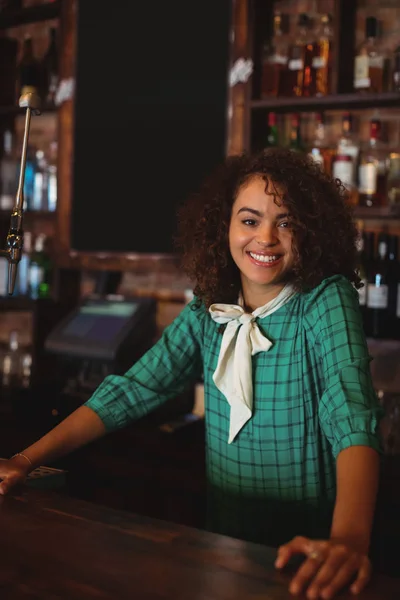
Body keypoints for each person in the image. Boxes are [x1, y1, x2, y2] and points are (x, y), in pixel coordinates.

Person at [0, 148, 382, 599]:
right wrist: (25, 460)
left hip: (306, 554)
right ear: (223, 225)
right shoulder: (208, 311)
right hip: (225, 551)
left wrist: (348, 541)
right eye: (249, 219)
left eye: (286, 221)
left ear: (311, 231)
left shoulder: (322, 300)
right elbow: (133, 389)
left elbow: (351, 413)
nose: (266, 238)